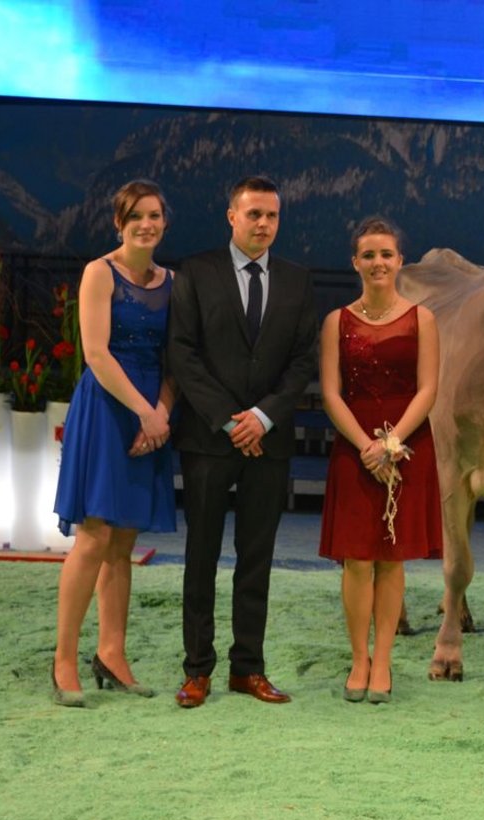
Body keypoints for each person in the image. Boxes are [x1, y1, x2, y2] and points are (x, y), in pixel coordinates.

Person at [167, 175, 320, 708]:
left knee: (256, 560)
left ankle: (248, 669)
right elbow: (182, 353)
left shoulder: (298, 281)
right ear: (231, 216)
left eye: (272, 215)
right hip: (209, 439)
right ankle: (197, 670)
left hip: (268, 443)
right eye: (254, 214)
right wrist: (231, 422)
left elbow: (303, 361)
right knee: (201, 558)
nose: (263, 224)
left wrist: (263, 417)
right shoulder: (195, 271)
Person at [50, 179, 176, 707]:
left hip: (152, 414)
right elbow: (96, 354)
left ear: (164, 223)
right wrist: (144, 412)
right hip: (107, 408)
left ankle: (112, 654)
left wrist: (161, 413)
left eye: (154, 215)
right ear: (118, 223)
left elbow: (176, 359)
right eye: (135, 216)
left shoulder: (173, 282)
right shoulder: (98, 273)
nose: (146, 224)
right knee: (95, 536)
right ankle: (63, 661)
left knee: (124, 541)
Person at [318, 218, 441, 703]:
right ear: (355, 262)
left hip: (407, 445)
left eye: (386, 254)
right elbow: (331, 393)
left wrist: (392, 443)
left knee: (390, 560)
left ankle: (383, 659)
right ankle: (359, 659)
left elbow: (428, 389)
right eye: (368, 255)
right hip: (354, 448)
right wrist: (366, 447)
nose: (378, 263)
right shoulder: (336, 321)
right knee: (356, 560)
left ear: (400, 261)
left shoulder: (422, 319)